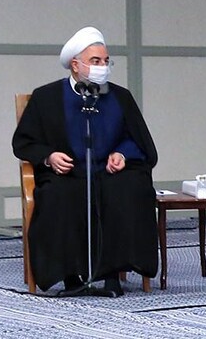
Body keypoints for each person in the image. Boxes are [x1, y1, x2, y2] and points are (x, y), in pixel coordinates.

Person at [11, 27, 160, 296]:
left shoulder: (120, 97)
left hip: (108, 172)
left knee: (129, 189)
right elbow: (24, 142)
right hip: (67, 173)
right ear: (75, 65)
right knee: (59, 195)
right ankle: (70, 276)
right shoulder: (46, 97)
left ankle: (112, 275)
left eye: (106, 61)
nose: (102, 67)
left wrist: (122, 154)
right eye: (95, 61)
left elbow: (137, 138)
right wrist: (49, 157)